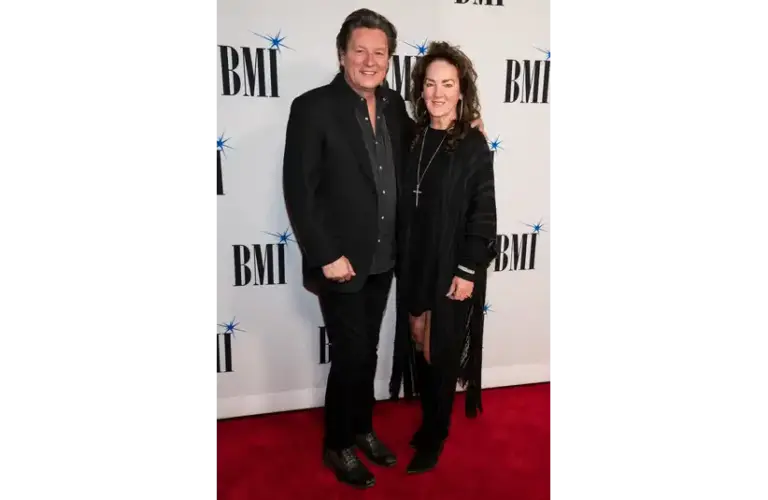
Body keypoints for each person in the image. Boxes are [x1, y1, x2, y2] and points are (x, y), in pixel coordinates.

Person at [282, 9, 485, 489]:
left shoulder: (395, 107)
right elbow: (299, 189)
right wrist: (324, 253)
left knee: (367, 352)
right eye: (360, 51)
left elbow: (431, 144)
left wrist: (469, 124)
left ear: (390, 59)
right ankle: (338, 443)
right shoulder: (312, 108)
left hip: (383, 260)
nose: (369, 61)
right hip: (340, 262)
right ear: (342, 54)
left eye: (380, 53)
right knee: (351, 354)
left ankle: (362, 427)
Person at [388, 41, 498, 474]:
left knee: (442, 352)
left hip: (451, 267)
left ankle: (436, 435)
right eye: (430, 83)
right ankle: (430, 422)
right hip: (413, 263)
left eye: (447, 84)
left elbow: (483, 214)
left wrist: (468, 269)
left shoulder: (472, 145)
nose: (437, 92)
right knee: (420, 344)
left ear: (461, 90)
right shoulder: (411, 136)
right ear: (420, 89)